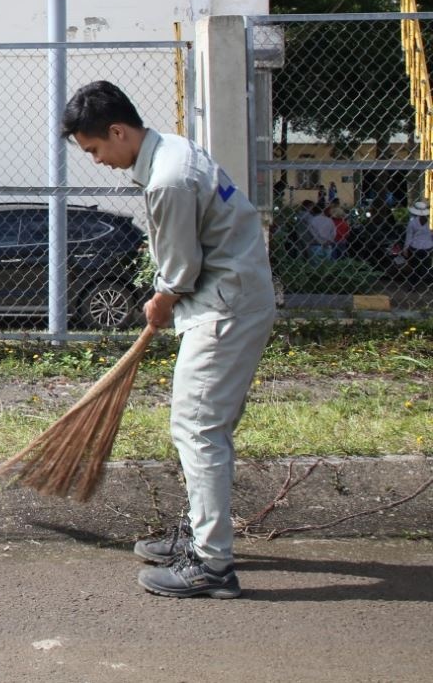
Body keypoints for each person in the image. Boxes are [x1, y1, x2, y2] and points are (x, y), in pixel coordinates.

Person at [62, 81, 274, 600]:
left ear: (118, 131)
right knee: (207, 428)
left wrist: (161, 299)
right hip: (237, 297)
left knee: (198, 428)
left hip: (222, 308)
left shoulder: (168, 180)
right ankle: (201, 536)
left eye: (94, 149)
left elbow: (180, 270)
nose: (97, 160)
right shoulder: (175, 150)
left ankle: (210, 565)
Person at [404, 199, 433, 284]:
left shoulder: (412, 223)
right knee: (426, 266)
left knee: (414, 267)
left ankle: (413, 285)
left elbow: (409, 237)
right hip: (428, 247)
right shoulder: (429, 222)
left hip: (415, 247)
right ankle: (427, 283)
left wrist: (405, 248)